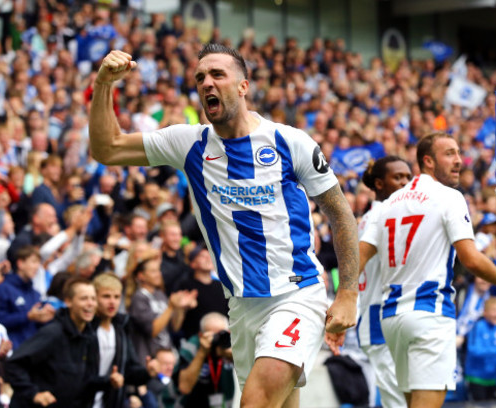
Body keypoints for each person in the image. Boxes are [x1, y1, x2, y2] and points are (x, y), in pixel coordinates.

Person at [89, 45, 359, 407]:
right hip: (241, 306)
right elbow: (108, 148)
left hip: (296, 294)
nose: (207, 83)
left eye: (217, 74)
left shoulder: (289, 141)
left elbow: (340, 213)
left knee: (254, 403)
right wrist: (103, 84)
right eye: (200, 77)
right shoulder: (189, 143)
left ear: (243, 86)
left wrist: (348, 294)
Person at [358, 133, 496, 408]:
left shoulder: (388, 205)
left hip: (392, 320)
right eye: (449, 153)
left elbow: (355, 258)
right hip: (429, 316)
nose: (458, 160)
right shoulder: (449, 197)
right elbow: (470, 259)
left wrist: (346, 298)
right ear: (428, 161)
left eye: (458, 153)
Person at [4, 277, 112, 408]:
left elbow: (82, 381)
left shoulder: (89, 336)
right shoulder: (53, 333)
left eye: (93, 299)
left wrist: (108, 381)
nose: (90, 304)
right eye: (84, 298)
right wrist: (34, 394)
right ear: (68, 301)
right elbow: (13, 364)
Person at [357, 156, 411, 408]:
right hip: (377, 314)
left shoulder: (380, 215)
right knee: (396, 398)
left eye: (408, 177)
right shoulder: (380, 216)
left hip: (392, 313)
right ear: (379, 183)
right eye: (398, 177)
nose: (405, 183)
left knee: (405, 393)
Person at [91, 273, 157, 408]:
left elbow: (128, 370)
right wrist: (107, 381)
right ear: (94, 298)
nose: (112, 302)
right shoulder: (86, 329)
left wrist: (147, 373)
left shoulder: (120, 329)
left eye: (116, 297)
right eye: (106, 296)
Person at [0, 246, 55, 347]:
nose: (37, 267)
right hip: (12, 350)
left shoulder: (36, 294)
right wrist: (27, 316)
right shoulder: (3, 288)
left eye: (38, 263)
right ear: (20, 263)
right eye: (33, 262)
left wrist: (47, 317)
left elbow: (38, 325)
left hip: (32, 351)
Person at [176, 312, 235, 407]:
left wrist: (230, 355)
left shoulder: (231, 344)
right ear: (201, 335)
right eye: (214, 335)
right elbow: (184, 387)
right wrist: (202, 352)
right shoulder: (192, 345)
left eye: (221, 334)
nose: (218, 338)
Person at [464, 296, 496, 401]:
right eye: (494, 310)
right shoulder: (477, 327)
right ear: (485, 313)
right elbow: (473, 350)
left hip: (495, 378)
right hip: (477, 378)